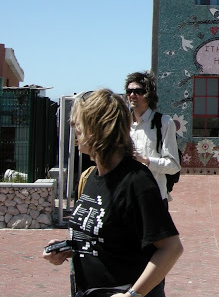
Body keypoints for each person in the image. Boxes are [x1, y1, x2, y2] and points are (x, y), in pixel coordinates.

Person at [43, 89, 183, 297]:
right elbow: (109, 241)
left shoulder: (136, 180)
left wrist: (132, 295)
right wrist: (69, 248)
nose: (74, 127)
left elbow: (171, 248)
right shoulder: (91, 177)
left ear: (98, 127)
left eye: (78, 122)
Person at [125, 71, 181, 206]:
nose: (132, 95)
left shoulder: (164, 123)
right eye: (129, 91)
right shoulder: (123, 124)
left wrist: (146, 161)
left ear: (148, 95)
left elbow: (174, 166)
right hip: (128, 198)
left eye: (138, 91)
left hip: (154, 198)